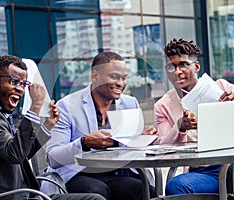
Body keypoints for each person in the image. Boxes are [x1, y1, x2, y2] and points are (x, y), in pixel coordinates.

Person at [0, 55, 105, 200]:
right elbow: (15, 154)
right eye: (14, 82)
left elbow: (23, 153)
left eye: (23, 84)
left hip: (23, 195)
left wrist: (48, 125)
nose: (20, 89)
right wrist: (35, 106)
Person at [41, 51, 157, 200]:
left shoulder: (130, 103)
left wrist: (141, 139)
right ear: (95, 76)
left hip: (118, 173)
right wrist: (83, 143)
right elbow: (53, 158)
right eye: (114, 77)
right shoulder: (66, 106)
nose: (121, 83)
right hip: (78, 173)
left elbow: (131, 149)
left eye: (124, 78)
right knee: (96, 191)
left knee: (147, 191)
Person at [154, 38, 234, 200]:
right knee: (176, 186)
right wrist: (180, 126)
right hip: (203, 171)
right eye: (171, 66)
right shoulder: (163, 105)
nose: (177, 71)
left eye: (183, 64)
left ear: (196, 66)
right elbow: (162, 147)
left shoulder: (221, 87)